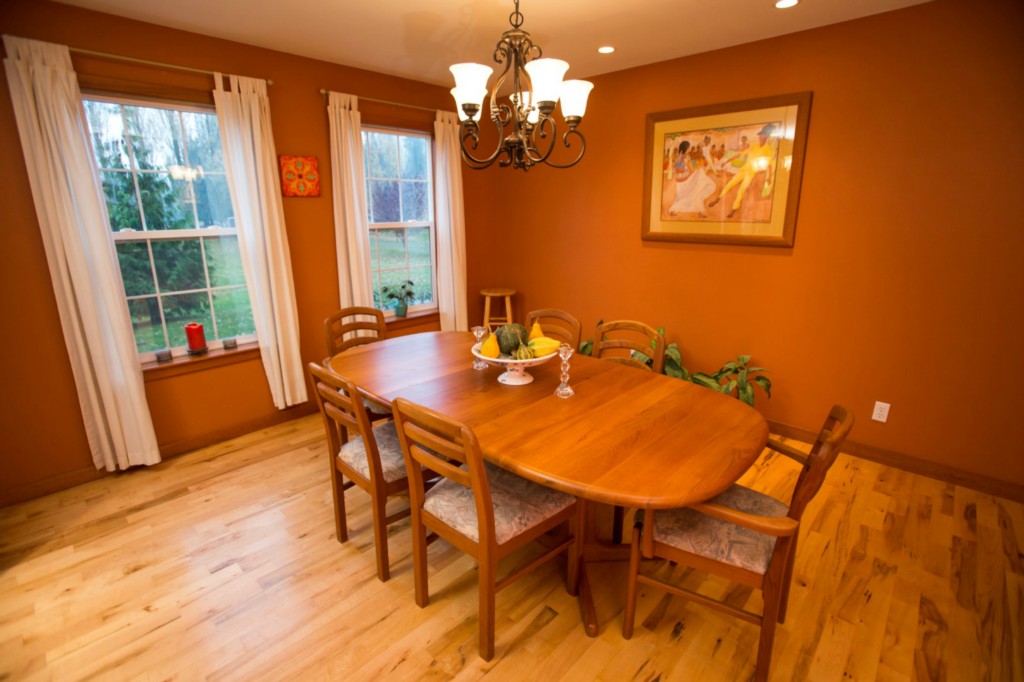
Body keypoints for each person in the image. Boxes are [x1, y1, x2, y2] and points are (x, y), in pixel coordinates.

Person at [708, 124, 778, 218]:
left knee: (741, 189)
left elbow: (769, 163)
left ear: (766, 136)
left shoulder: (767, 149)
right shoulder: (755, 146)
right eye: (760, 135)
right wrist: (726, 161)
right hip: (743, 170)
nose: (760, 137)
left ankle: (734, 209)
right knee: (730, 184)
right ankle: (718, 199)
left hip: (750, 173)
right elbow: (740, 154)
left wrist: (769, 177)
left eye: (762, 135)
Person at [668, 140, 716, 217]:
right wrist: (688, 169)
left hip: (685, 179)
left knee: (699, 175)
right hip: (682, 182)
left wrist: (694, 168)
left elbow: (690, 167)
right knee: (699, 176)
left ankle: (700, 210)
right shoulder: (680, 158)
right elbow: (679, 172)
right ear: (685, 148)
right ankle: (699, 211)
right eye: (688, 148)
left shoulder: (686, 157)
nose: (690, 149)